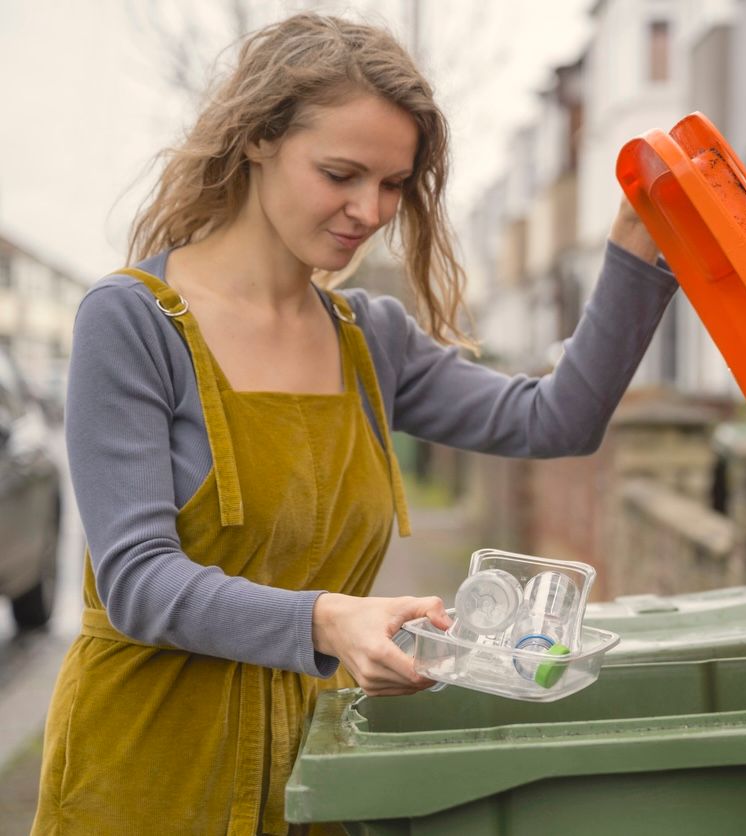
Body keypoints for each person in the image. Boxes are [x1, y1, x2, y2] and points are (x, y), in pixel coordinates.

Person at [35, 12, 673, 835]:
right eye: (340, 173)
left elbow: (556, 421)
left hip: (316, 772)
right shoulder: (131, 321)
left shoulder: (371, 338)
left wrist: (635, 244)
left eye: (394, 184)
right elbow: (137, 581)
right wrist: (329, 620)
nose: (369, 210)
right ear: (258, 138)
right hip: (148, 771)